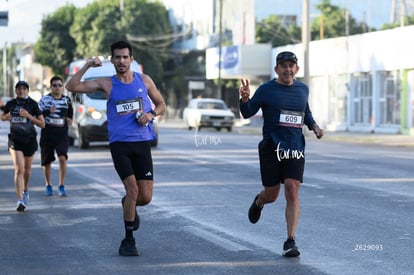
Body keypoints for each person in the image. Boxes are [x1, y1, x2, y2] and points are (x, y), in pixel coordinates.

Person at [65, 40, 166, 256]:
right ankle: (128, 240)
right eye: (117, 57)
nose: (121, 61)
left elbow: (161, 105)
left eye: (125, 57)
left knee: (145, 197)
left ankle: (127, 204)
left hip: (142, 143)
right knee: (133, 190)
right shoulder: (106, 84)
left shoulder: (144, 81)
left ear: (131, 59)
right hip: (120, 145)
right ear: (112, 60)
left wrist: (150, 115)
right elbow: (71, 87)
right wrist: (87, 66)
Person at [239, 51, 324, 257]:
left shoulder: (303, 89)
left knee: (292, 190)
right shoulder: (267, 89)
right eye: (283, 66)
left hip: (294, 148)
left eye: (291, 66)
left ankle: (290, 240)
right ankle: (259, 202)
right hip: (271, 148)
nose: (287, 69)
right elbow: (248, 112)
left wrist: (314, 126)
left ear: (296, 69)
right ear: (277, 69)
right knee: (272, 194)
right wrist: (244, 99)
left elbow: (305, 112)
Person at [0, 80, 45, 212]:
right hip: (15, 140)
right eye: (19, 88)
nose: (21, 91)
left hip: (29, 140)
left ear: (28, 90)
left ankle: (25, 190)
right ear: (16, 91)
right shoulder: (11, 104)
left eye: (24, 88)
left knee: (27, 171)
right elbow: (2, 117)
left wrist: (29, 116)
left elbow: (42, 124)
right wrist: (6, 117)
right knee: (19, 169)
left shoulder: (33, 104)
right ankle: (20, 200)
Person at [38, 76, 73, 196]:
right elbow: (38, 115)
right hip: (47, 133)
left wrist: (69, 119)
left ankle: (61, 185)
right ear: (51, 87)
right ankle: (48, 184)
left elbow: (70, 114)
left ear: (62, 87)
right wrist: (48, 112)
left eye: (59, 85)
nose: (57, 88)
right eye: (55, 85)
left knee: (63, 157)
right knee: (47, 161)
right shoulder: (44, 100)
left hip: (61, 134)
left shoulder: (66, 100)